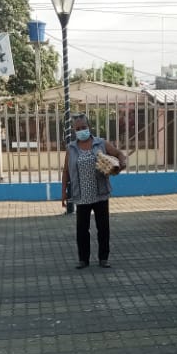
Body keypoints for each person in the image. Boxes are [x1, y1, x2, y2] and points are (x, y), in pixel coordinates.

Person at [61, 113, 128, 269]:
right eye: (78, 128)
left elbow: (119, 154)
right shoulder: (71, 148)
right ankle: (83, 259)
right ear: (74, 130)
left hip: (100, 193)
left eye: (83, 127)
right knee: (82, 229)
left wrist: (121, 163)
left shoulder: (101, 143)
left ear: (89, 127)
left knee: (103, 228)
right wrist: (64, 192)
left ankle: (103, 258)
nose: (81, 130)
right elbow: (66, 171)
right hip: (81, 195)